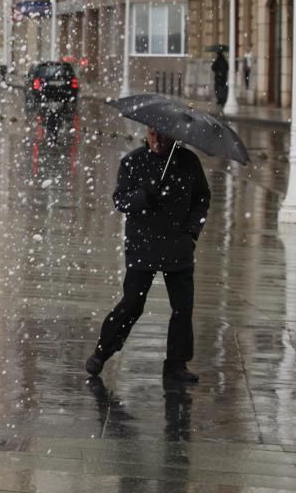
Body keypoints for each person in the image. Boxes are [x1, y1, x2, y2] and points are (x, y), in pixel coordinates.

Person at [85, 127, 211, 382]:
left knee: (182, 308)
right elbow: (120, 200)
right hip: (144, 243)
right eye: (154, 135)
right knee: (132, 303)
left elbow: (202, 198)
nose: (158, 141)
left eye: (164, 135)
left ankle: (177, 364)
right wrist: (144, 196)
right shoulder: (133, 161)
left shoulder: (188, 162)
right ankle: (102, 351)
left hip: (178, 244)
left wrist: (191, 231)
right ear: (147, 133)